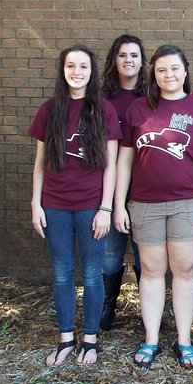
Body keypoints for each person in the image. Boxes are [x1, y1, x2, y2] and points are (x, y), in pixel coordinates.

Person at [113, 44, 193, 369]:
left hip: (189, 204)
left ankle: (184, 340)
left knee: (185, 270)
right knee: (150, 271)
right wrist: (119, 205)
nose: (169, 75)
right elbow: (124, 160)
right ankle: (150, 339)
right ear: (154, 74)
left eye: (175, 68)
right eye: (161, 70)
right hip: (145, 204)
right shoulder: (138, 109)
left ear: (186, 71)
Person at [28, 44, 121, 367]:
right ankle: (66, 338)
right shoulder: (49, 110)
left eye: (83, 66)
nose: (76, 72)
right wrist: (36, 204)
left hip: (90, 206)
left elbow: (112, 164)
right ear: (63, 70)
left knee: (93, 274)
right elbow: (40, 162)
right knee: (62, 272)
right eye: (71, 66)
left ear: (92, 71)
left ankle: (91, 340)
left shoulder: (104, 110)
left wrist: (106, 208)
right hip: (54, 205)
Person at [98, 34, 148, 331]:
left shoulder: (151, 97)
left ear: (143, 62)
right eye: (122, 55)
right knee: (110, 253)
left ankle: (148, 313)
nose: (128, 60)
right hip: (106, 185)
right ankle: (107, 307)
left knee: (146, 255)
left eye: (134, 55)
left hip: (143, 187)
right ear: (113, 60)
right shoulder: (101, 98)